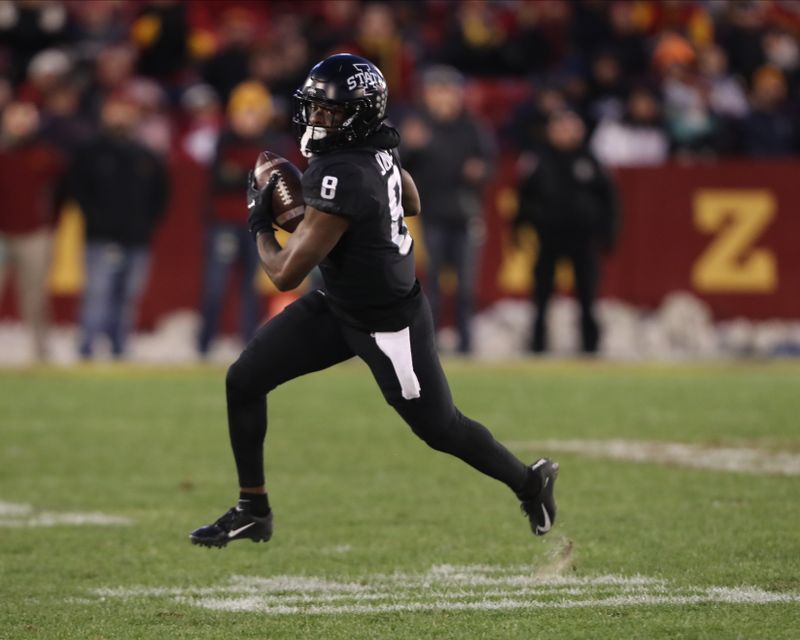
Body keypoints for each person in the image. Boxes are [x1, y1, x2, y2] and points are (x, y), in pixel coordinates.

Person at [189, 54, 558, 548]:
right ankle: (252, 508)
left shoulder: (346, 170)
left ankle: (531, 482)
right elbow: (412, 202)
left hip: (388, 324)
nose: (315, 119)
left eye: (328, 111)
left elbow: (284, 272)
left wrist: (258, 219)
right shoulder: (374, 144)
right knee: (245, 379)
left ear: (357, 115)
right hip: (340, 303)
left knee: (440, 428)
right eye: (314, 107)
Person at [197, 81, 296, 357]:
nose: (248, 119)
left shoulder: (275, 143)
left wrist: (240, 175)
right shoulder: (224, 140)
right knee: (215, 285)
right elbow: (222, 180)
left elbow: (276, 183)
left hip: (258, 226)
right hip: (224, 223)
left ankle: (249, 344)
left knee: (251, 287)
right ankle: (204, 345)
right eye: (244, 112)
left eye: (253, 112)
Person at [400, 65, 494, 354]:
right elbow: (398, 166)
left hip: (466, 213)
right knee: (434, 284)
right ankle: (431, 343)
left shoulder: (472, 127)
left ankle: (467, 344)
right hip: (432, 214)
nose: (443, 98)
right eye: (437, 91)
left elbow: (489, 164)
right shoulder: (417, 126)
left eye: (448, 91)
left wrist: (480, 171)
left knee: (466, 286)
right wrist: (409, 147)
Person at [69, 92, 169, 359]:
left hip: (137, 238)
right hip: (100, 237)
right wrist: (96, 219)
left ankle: (119, 346)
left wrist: (146, 224)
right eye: (115, 110)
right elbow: (78, 190)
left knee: (128, 296)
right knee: (97, 293)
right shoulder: (90, 151)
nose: (120, 116)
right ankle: (87, 347)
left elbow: (161, 195)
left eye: (125, 110)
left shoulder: (146, 155)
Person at [515, 109, 620, 354]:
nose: (564, 133)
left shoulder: (591, 160)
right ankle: (538, 345)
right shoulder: (538, 160)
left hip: (582, 237)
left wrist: (608, 232)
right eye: (559, 128)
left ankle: (590, 346)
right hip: (548, 236)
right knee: (541, 295)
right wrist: (521, 228)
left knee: (587, 294)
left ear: (580, 131)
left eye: (569, 127)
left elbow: (609, 199)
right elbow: (523, 198)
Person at [0, 101, 65, 361]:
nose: (21, 123)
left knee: (35, 296)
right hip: (1, 234)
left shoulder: (46, 156)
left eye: (26, 118)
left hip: (35, 233)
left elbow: (62, 192)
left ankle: (41, 350)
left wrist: (50, 222)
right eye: (16, 118)